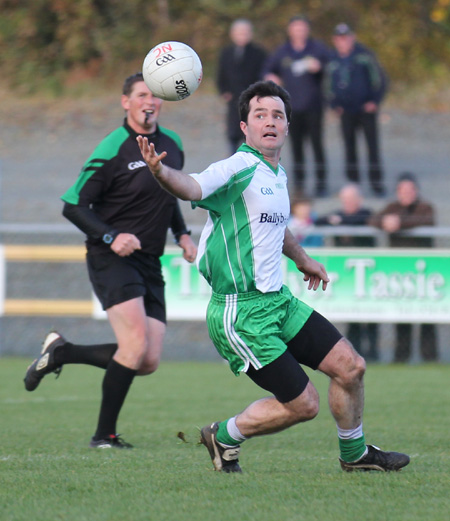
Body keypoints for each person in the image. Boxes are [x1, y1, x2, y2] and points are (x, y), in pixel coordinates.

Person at [137, 80, 409, 473]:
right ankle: (224, 435)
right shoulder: (238, 167)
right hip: (240, 313)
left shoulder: (276, 175)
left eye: (277, 115)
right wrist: (161, 170)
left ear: (286, 127)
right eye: (260, 115)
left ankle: (356, 455)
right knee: (304, 405)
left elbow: (276, 226)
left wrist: (302, 258)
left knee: (351, 366)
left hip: (277, 301)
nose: (270, 121)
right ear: (245, 127)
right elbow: (192, 185)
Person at [23, 72, 197, 448]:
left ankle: (62, 352)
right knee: (133, 346)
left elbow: (168, 197)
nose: (149, 102)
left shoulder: (173, 144)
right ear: (126, 102)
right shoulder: (113, 147)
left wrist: (182, 234)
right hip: (111, 256)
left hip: (150, 261)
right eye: (141, 95)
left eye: (155, 96)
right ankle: (105, 436)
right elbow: (73, 205)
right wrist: (110, 236)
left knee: (148, 360)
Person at [369, 172, 437, 362]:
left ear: (416, 191)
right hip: (400, 275)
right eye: (402, 190)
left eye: (410, 190)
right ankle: (401, 358)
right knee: (402, 318)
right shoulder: (391, 207)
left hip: (424, 275)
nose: (406, 194)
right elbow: (373, 220)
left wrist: (400, 224)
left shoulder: (425, 207)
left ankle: (431, 359)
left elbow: (427, 221)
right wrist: (384, 222)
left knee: (427, 317)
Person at [263, 15, 330, 197]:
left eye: (302, 28)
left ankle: (321, 183)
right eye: (296, 28)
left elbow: (332, 65)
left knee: (317, 145)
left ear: (307, 30)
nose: (299, 32)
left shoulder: (317, 48)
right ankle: (299, 185)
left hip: (314, 106)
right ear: (290, 31)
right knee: (296, 146)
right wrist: (271, 76)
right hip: (291, 108)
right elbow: (268, 68)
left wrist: (320, 67)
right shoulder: (283, 51)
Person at [316, 183, 379, 360]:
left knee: (371, 315)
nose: (348, 203)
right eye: (345, 200)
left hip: (368, 276)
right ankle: (354, 353)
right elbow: (319, 221)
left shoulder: (366, 214)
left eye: (351, 199)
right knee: (353, 319)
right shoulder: (337, 215)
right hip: (347, 277)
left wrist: (339, 221)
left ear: (359, 200)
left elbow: (361, 220)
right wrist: (337, 220)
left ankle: (374, 354)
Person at [325, 23, 387, 196]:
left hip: (366, 109)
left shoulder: (364, 55)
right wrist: (333, 104)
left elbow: (379, 79)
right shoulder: (333, 59)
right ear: (335, 40)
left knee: (372, 146)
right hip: (346, 111)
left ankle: (376, 183)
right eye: (339, 38)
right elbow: (327, 84)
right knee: (349, 146)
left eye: (346, 38)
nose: (343, 41)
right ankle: (353, 183)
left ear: (352, 38)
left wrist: (375, 100)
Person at [217, 19, 267, 154]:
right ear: (232, 34)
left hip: (252, 101)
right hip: (233, 101)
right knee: (233, 135)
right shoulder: (226, 52)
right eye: (239, 33)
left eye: (245, 33)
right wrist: (224, 91)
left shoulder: (259, 53)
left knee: (252, 135)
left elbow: (263, 75)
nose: (242, 36)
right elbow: (221, 74)